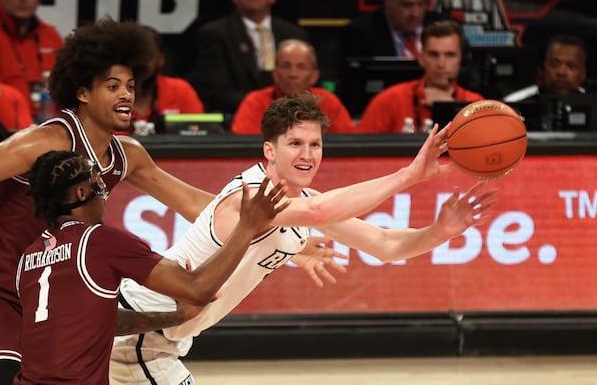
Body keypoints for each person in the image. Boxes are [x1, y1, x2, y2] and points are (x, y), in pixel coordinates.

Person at [0, 18, 218, 385]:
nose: (127, 95)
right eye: (113, 86)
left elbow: (196, 203)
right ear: (83, 92)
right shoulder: (46, 141)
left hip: (44, 299)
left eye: (131, 86)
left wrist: (266, 217)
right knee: (2, 377)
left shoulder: (126, 155)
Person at [110, 93, 498, 385]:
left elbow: (384, 244)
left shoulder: (301, 201)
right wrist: (411, 174)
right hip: (139, 329)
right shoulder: (252, 194)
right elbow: (320, 214)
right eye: (295, 144)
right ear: (269, 151)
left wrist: (441, 231)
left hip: (161, 336)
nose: (307, 154)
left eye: (315, 145)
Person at [15, 150, 288, 384]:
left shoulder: (28, 258)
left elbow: (107, 321)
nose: (106, 191)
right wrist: (247, 226)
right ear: (82, 192)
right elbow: (198, 289)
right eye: (98, 181)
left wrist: (173, 317)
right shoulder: (99, 241)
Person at [190, 0, 309, 116]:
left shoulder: (294, 35)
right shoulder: (214, 34)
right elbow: (216, 92)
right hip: (236, 120)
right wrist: (263, 106)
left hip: (291, 117)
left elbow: (305, 84)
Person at [359, 20, 485, 133]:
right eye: (433, 55)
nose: (441, 64)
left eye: (450, 55)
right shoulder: (390, 100)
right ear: (421, 58)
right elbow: (359, 152)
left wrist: (450, 107)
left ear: (461, 59)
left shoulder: (476, 106)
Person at [231, 39, 358, 134]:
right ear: (275, 74)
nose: (293, 74)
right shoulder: (255, 102)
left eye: (301, 67)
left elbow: (351, 144)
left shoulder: (328, 101)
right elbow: (242, 148)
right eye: (286, 66)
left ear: (314, 76)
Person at [341, 0, 443, 60]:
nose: (415, 14)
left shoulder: (443, 28)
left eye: (421, 4)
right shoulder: (360, 34)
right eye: (407, 5)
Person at [120, 26, 204, 136]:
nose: (139, 63)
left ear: (161, 59)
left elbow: (198, 136)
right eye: (133, 56)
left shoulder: (180, 91)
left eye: (146, 56)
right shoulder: (106, 94)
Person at [503, 34, 587, 102]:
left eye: (571, 66)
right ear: (544, 68)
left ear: (583, 73)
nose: (561, 72)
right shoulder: (512, 104)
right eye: (554, 64)